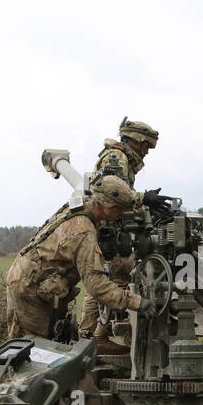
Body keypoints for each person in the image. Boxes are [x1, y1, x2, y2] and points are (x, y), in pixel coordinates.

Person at [6, 173, 156, 339]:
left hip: (34, 280)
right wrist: (137, 302)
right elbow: (97, 286)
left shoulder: (85, 203)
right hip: (29, 290)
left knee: (49, 343)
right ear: (107, 207)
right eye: (119, 209)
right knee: (33, 347)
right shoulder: (83, 232)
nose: (121, 214)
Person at [80, 118, 159, 354]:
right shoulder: (117, 159)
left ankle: (92, 337)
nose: (145, 153)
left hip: (110, 227)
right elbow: (114, 196)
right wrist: (142, 201)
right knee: (115, 277)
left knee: (113, 277)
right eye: (144, 146)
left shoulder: (119, 158)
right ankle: (93, 338)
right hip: (108, 230)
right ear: (132, 141)